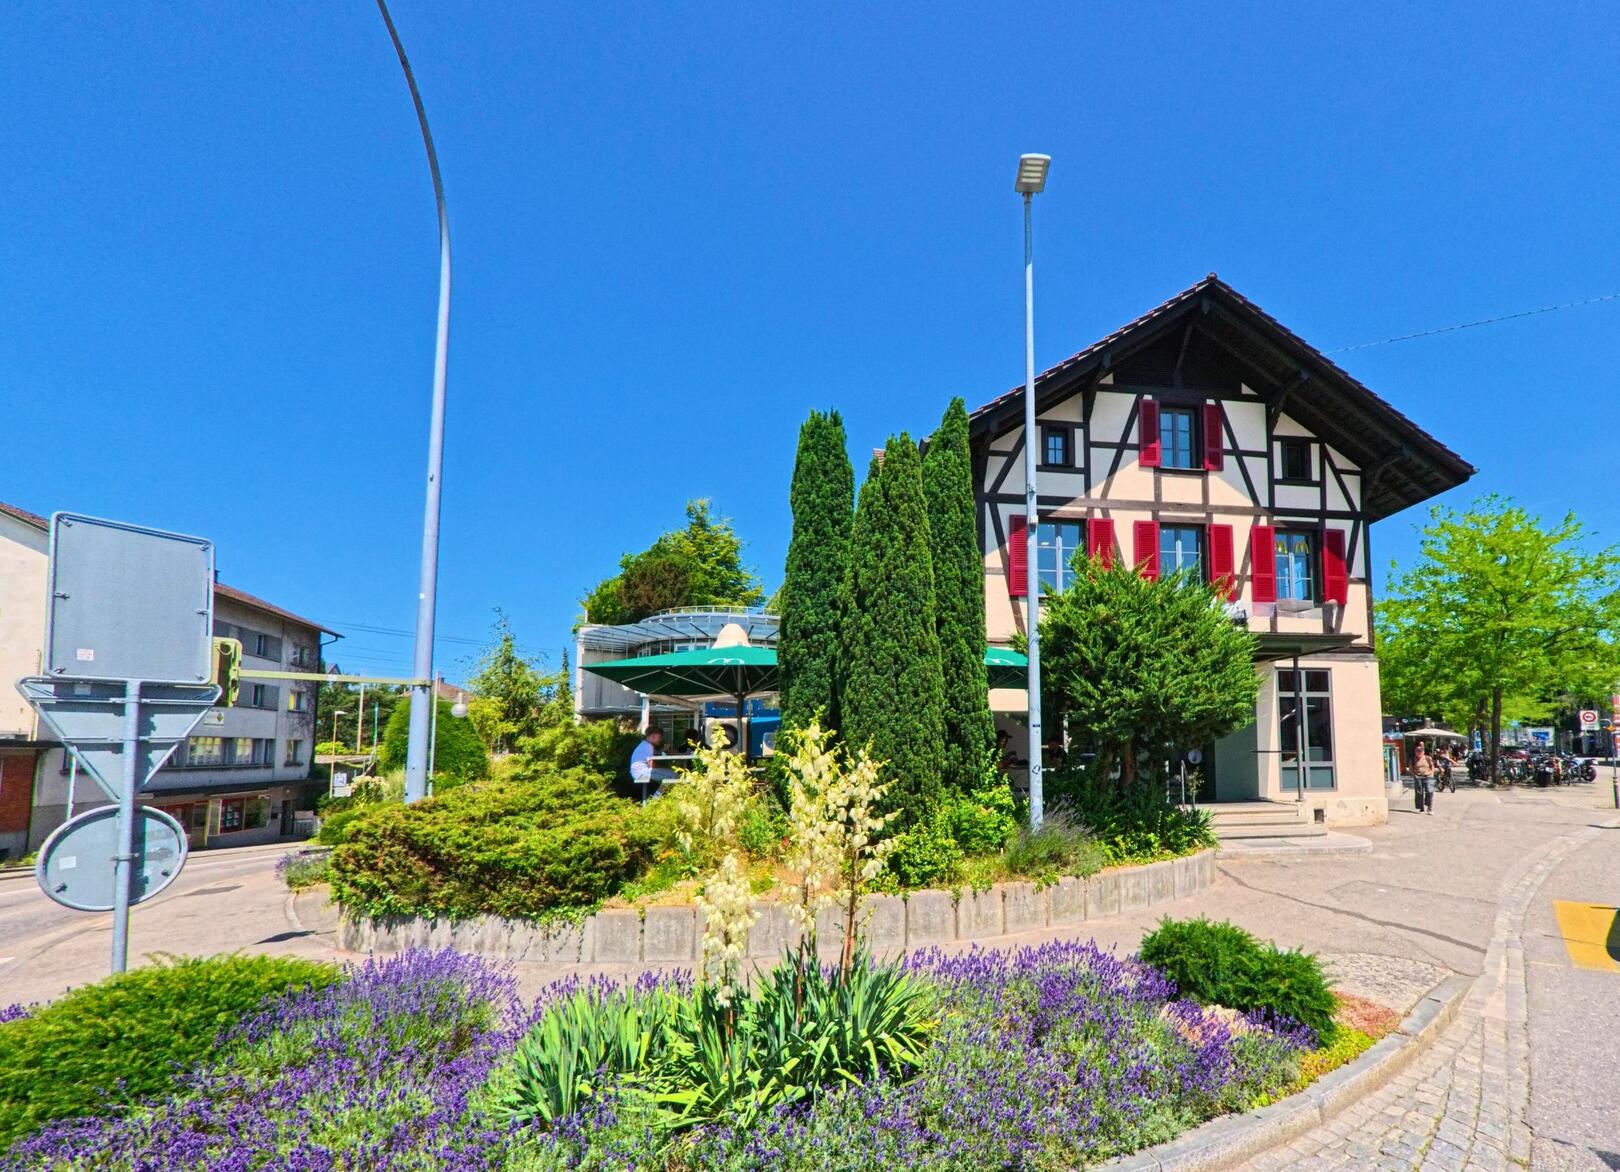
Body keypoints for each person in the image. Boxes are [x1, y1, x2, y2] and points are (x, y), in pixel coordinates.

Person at [629, 727, 677, 799]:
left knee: (668, 775)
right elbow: (651, 765)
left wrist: (663, 750)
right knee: (673, 775)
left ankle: (659, 797)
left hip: (638, 772)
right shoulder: (648, 746)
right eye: (659, 737)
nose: (660, 739)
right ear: (652, 736)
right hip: (642, 772)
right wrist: (661, 769)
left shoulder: (645, 744)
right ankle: (655, 799)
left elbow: (657, 754)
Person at [1412, 742, 1435, 814]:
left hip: (1428, 776)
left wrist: (1432, 773)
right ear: (1415, 752)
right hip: (1418, 777)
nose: (1419, 752)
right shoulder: (1413, 759)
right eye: (1417, 751)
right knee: (1419, 793)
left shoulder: (1428, 758)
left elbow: (1432, 766)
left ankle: (1429, 809)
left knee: (1430, 791)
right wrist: (1414, 775)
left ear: (1423, 752)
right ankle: (1421, 809)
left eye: (1420, 751)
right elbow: (1410, 768)